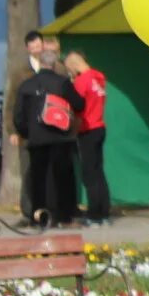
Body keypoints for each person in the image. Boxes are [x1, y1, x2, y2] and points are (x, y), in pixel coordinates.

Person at [13, 32, 81, 228]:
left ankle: (39, 217)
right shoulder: (62, 83)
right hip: (61, 137)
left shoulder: (27, 85)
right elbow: (78, 103)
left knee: (38, 178)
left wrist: (27, 133)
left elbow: (18, 115)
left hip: (37, 139)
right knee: (63, 178)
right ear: (53, 64)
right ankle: (64, 216)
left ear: (40, 62)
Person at [63, 49, 111, 224]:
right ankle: (104, 212)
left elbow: (78, 105)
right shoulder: (99, 77)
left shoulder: (82, 81)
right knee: (99, 172)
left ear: (74, 66)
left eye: (70, 69)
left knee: (89, 174)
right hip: (100, 125)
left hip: (87, 128)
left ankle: (94, 214)